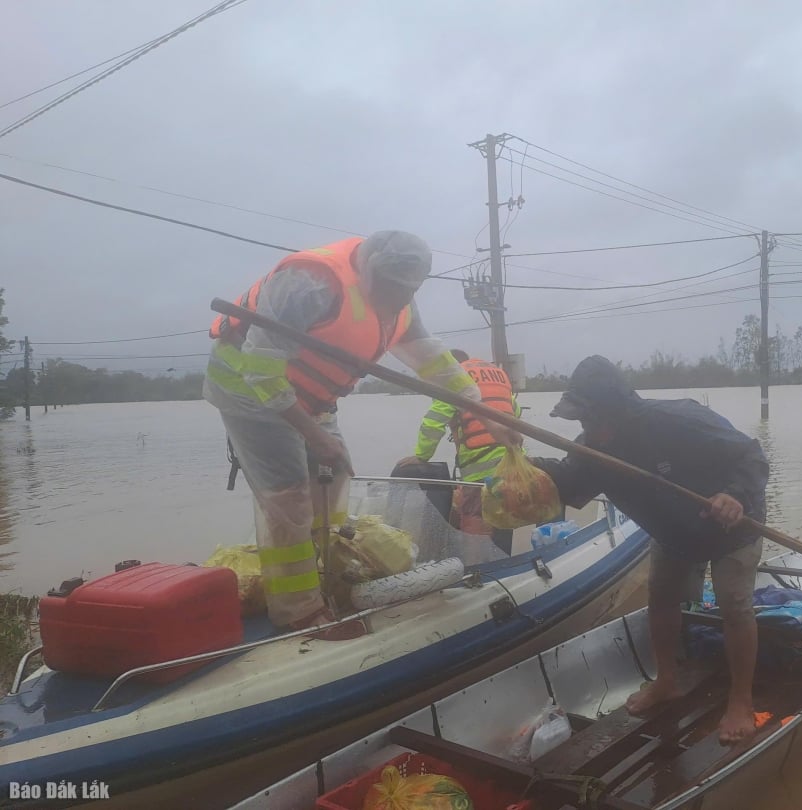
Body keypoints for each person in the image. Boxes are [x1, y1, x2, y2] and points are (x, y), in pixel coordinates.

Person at [204, 232, 520, 636]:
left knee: (334, 478)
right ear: (370, 272)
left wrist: (489, 416)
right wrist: (315, 437)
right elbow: (260, 370)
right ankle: (300, 612)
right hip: (250, 389)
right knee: (290, 499)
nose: (403, 299)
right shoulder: (309, 283)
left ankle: (334, 573)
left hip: (314, 397)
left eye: (412, 289)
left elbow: (433, 361)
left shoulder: (402, 292)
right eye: (394, 290)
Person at [530, 355, 769, 742]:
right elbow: (567, 482)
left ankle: (741, 699)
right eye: (581, 422)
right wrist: (519, 466)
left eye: (592, 419)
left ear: (616, 412)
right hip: (674, 530)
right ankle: (666, 681)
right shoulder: (593, 449)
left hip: (732, 523)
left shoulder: (676, 420)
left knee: (734, 605)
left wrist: (733, 494)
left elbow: (751, 455)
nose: (586, 430)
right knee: (660, 597)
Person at [408, 350, 521, 555]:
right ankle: (503, 564)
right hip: (510, 466)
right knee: (503, 517)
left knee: (475, 520)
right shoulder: (495, 376)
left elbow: (433, 423)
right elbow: (515, 411)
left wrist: (421, 456)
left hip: (480, 475)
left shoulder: (453, 380)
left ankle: (476, 574)